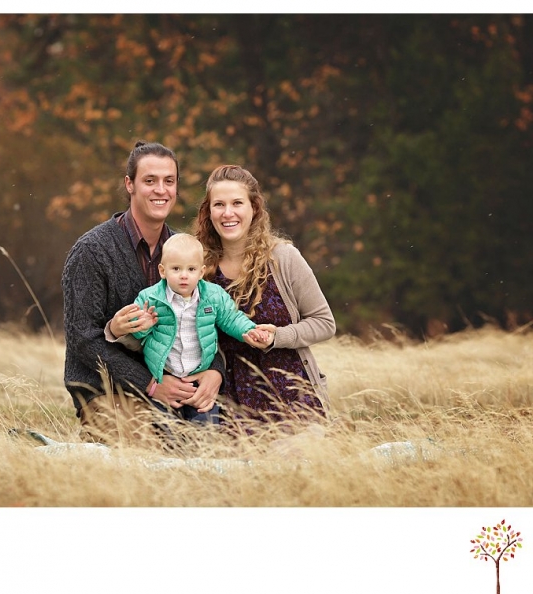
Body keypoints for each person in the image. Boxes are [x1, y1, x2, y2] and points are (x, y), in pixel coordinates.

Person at [61, 141, 224, 444]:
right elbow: (84, 339)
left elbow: (209, 319)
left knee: (218, 448)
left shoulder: (184, 250)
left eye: (169, 181)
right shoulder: (92, 251)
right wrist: (150, 385)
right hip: (108, 391)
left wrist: (215, 371)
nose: (160, 190)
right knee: (144, 454)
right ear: (130, 184)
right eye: (150, 181)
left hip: (179, 387)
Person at [194, 164, 336, 426]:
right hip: (227, 404)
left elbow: (325, 323)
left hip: (294, 398)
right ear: (208, 211)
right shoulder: (198, 268)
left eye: (237, 203)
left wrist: (279, 337)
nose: (228, 213)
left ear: (254, 208)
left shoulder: (283, 258)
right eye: (219, 205)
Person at [107, 233, 272, 425]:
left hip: (199, 373)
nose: (184, 275)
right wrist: (143, 327)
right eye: (176, 269)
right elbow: (138, 334)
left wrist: (248, 331)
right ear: (163, 271)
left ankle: (202, 447)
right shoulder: (150, 298)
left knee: (206, 424)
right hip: (165, 374)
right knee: (165, 426)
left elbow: (231, 318)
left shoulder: (213, 296)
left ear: (201, 272)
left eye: (191, 269)